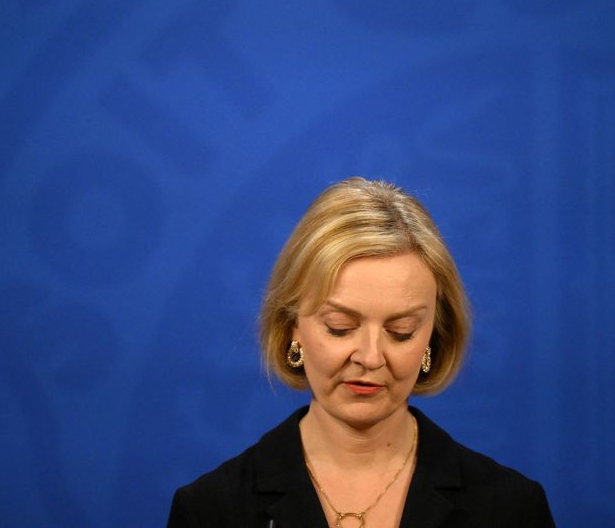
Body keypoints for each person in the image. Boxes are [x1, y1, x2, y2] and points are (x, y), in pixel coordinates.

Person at [167, 178, 555, 527]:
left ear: (432, 339)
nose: (370, 358)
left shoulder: (511, 509)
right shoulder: (210, 512)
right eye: (341, 328)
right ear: (292, 329)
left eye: (401, 332)